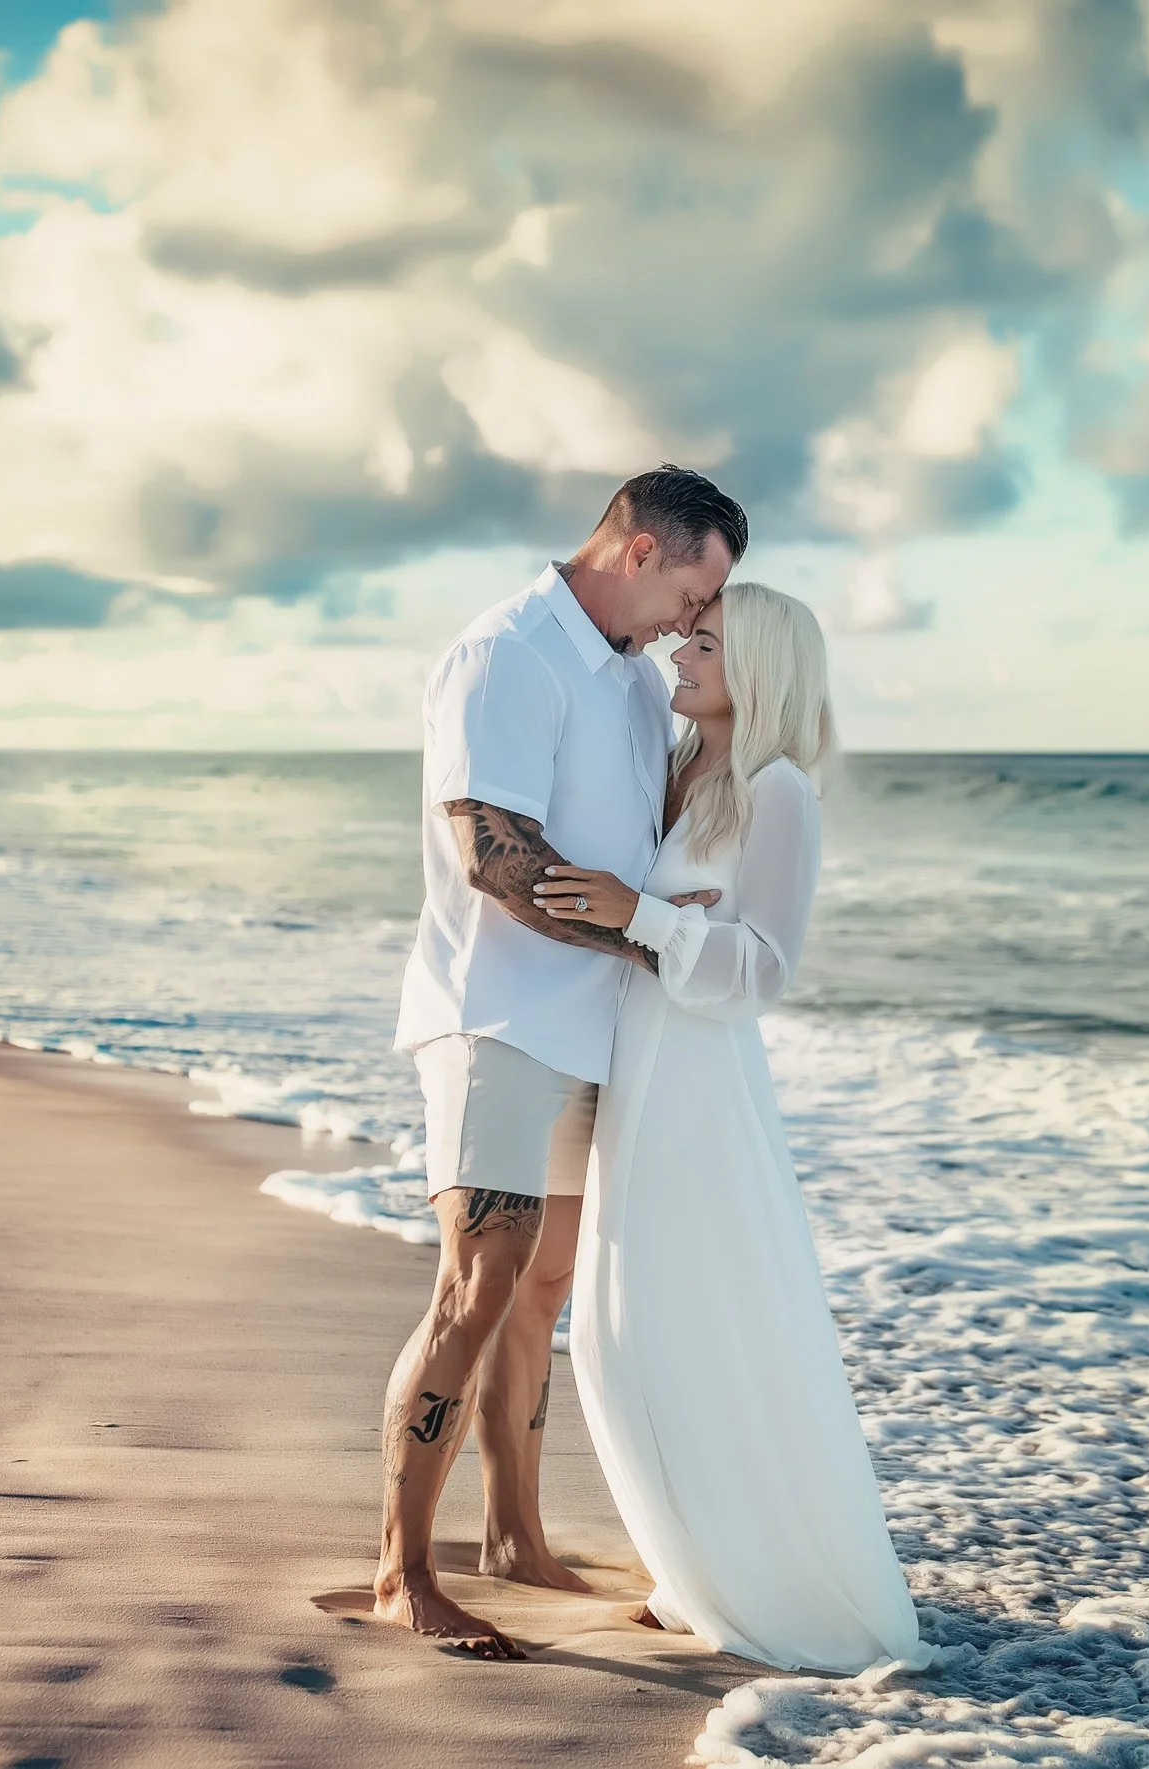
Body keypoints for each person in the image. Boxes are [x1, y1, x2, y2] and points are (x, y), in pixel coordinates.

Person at [377, 465, 746, 1659]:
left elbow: (646, 849)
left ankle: (514, 1536)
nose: (699, 618)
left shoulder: (638, 686)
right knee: (476, 1285)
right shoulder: (504, 655)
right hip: (497, 1016)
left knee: (542, 1292)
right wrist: (644, 930)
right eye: (699, 585)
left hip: (597, 1027)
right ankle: (401, 1571)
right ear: (641, 549)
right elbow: (497, 854)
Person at [533, 583, 933, 1675]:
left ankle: (763, 1584)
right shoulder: (678, 770)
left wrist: (645, 913)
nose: (680, 650)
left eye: (705, 640)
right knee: (624, 1334)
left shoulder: (778, 788)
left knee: (677, 1325)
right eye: (687, 633)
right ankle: (690, 1566)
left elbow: (763, 971)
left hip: (699, 1085)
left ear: (757, 664)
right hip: (639, 1066)